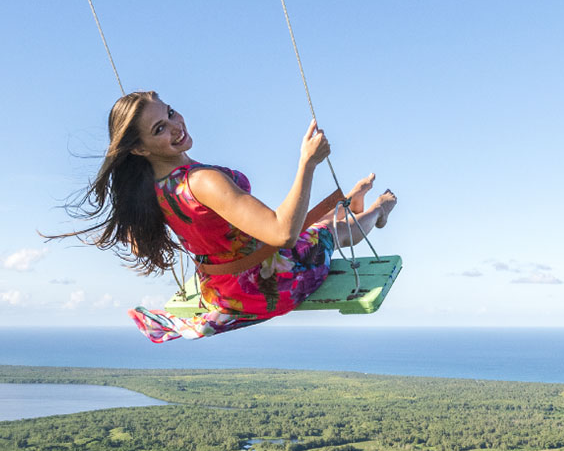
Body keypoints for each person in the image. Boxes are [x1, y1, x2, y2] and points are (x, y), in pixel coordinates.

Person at [52, 90, 397, 343]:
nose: (175, 126)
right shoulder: (202, 181)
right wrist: (307, 163)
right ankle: (378, 208)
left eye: (170, 113)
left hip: (221, 291)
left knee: (320, 226)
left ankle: (358, 202)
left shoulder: (151, 190)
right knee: (327, 231)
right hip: (267, 286)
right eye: (159, 128)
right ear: (139, 149)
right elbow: (282, 234)